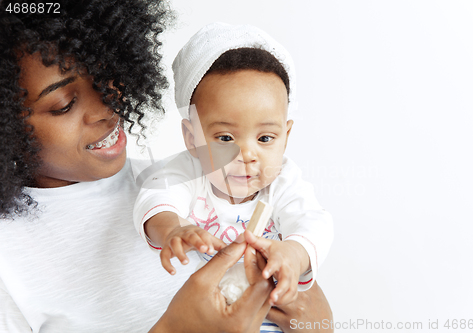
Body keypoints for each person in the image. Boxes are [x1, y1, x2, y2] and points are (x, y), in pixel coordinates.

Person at [0, 1, 333, 332]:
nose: (107, 106)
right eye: (64, 105)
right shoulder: (8, 259)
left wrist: (312, 315)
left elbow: (312, 315)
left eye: (104, 79)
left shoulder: (182, 183)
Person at [134, 23, 334, 332]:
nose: (247, 154)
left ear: (286, 135)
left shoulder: (283, 182)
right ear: (192, 138)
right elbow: (157, 197)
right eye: (226, 138)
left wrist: (294, 254)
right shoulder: (187, 171)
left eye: (265, 138)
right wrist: (172, 228)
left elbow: (313, 221)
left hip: (270, 317)